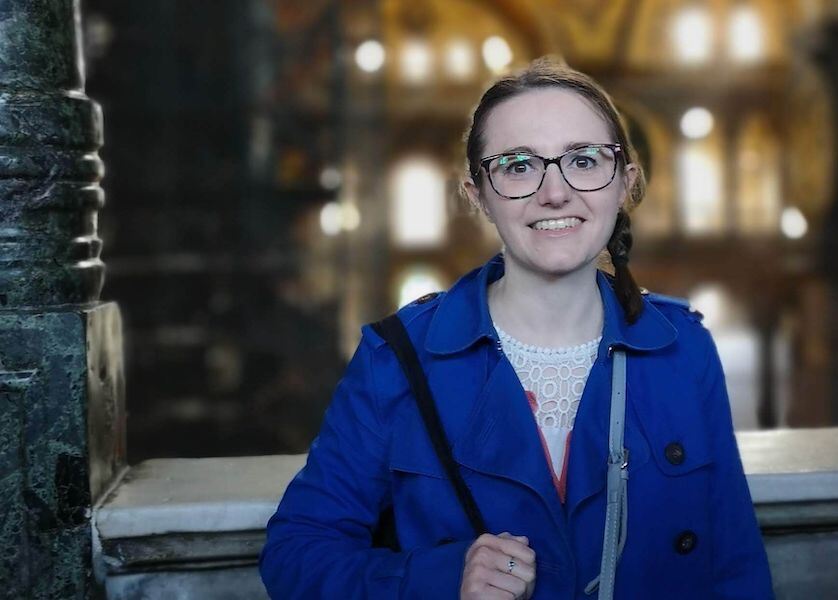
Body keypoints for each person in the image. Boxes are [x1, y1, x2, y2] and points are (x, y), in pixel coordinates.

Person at [260, 56, 773, 599]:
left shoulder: (683, 346)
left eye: (584, 159)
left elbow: (735, 565)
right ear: (477, 194)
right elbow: (297, 551)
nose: (555, 192)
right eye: (518, 166)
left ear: (625, 182)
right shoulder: (397, 358)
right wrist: (440, 578)